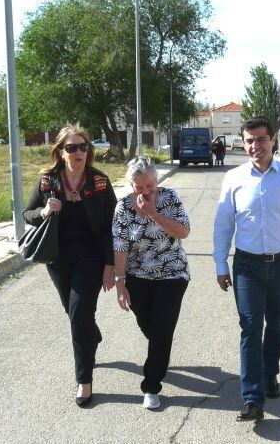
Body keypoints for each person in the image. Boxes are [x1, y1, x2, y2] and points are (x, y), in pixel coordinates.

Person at [213, 117, 280, 422]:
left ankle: (270, 372)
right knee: (250, 327)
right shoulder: (234, 178)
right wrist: (220, 262)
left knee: (275, 324)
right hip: (247, 265)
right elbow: (223, 223)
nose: (254, 146)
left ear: (272, 140)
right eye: (249, 140)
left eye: (260, 139)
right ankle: (252, 398)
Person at [23, 124, 117, 407]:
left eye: (82, 147)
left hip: (90, 256)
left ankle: (83, 381)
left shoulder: (99, 182)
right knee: (73, 310)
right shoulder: (47, 181)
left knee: (79, 312)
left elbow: (112, 227)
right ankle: (92, 336)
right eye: (71, 147)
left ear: (88, 151)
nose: (77, 152)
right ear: (60, 152)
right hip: (58, 257)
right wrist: (44, 210)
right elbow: (28, 214)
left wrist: (110, 265)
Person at [112, 157, 191, 410]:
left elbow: (184, 232)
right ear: (131, 185)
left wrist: (154, 214)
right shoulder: (123, 207)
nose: (146, 192)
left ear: (156, 181)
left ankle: (151, 386)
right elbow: (121, 246)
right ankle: (160, 349)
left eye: (150, 186)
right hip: (138, 277)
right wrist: (120, 283)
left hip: (172, 274)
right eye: (139, 187)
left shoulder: (170, 198)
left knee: (161, 330)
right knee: (151, 328)